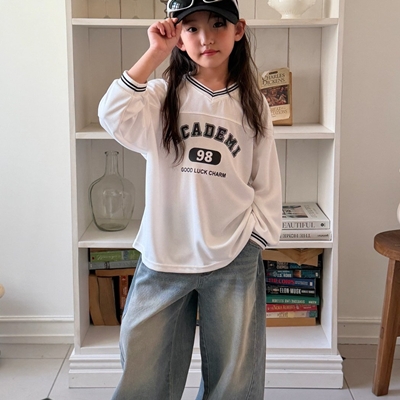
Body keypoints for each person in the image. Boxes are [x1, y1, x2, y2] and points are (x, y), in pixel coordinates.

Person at [98, 0, 282, 398]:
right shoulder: (161, 96)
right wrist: (155, 53)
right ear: (178, 37)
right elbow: (112, 114)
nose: (206, 38)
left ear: (238, 30)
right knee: (144, 377)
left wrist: (256, 239)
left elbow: (265, 180)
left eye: (217, 24)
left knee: (234, 382)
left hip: (233, 254)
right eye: (192, 28)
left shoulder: (253, 104)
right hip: (165, 255)